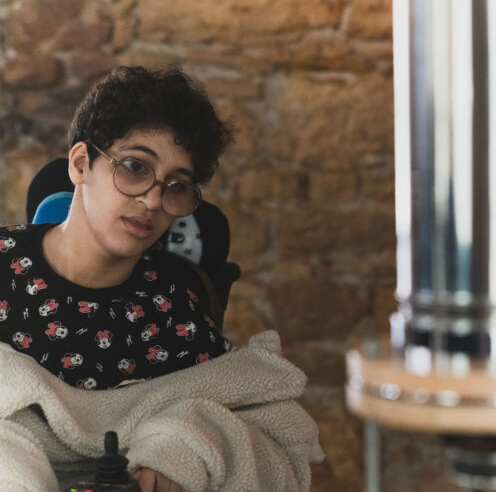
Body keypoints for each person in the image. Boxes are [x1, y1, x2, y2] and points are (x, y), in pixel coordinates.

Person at [0, 67, 323, 492]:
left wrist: (181, 449)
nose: (152, 200)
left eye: (175, 186)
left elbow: (256, 424)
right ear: (81, 164)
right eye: (134, 167)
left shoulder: (172, 302)